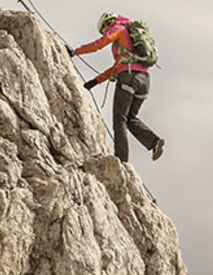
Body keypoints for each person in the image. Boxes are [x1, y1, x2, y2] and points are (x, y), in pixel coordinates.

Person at [69, 12, 165, 162]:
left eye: (103, 30)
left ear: (107, 24)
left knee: (119, 119)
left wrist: (75, 52)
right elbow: (118, 66)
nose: (104, 33)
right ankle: (154, 142)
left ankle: (121, 160)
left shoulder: (118, 28)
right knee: (130, 118)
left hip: (129, 78)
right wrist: (95, 82)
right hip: (145, 81)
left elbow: (98, 44)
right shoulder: (132, 40)